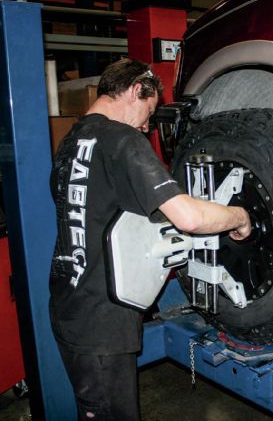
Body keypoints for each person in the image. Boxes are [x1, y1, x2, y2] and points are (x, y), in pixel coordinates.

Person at [49, 58, 251, 421]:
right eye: (149, 111)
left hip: (70, 307)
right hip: (102, 326)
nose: (146, 127)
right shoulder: (121, 140)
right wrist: (239, 216)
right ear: (134, 90)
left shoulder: (70, 142)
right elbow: (188, 218)